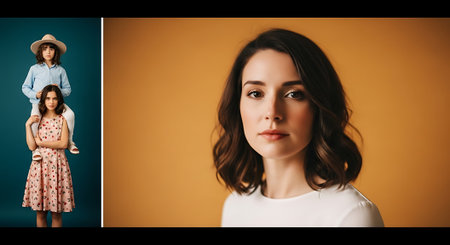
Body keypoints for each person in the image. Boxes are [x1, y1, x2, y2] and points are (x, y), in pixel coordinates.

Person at [213, 28, 384, 227]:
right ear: (237, 105)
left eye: (294, 94)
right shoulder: (236, 206)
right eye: (256, 93)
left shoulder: (350, 215)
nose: (272, 112)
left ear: (319, 107)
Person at [22, 85, 75, 227]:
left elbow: (63, 144)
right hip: (40, 168)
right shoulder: (37, 119)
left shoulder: (63, 119)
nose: (51, 102)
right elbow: (32, 147)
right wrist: (28, 125)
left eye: (55, 98)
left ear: (59, 100)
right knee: (40, 212)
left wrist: (42, 142)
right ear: (43, 100)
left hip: (58, 166)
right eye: (48, 98)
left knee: (56, 213)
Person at [22, 34, 79, 162]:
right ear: (41, 51)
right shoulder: (34, 69)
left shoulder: (60, 71)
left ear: (55, 52)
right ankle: (35, 149)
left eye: (51, 49)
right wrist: (36, 94)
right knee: (34, 121)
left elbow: (68, 90)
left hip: (56, 103)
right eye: (45, 48)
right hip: (38, 103)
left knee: (70, 115)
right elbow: (25, 87)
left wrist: (58, 90)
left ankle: (70, 141)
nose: (48, 52)